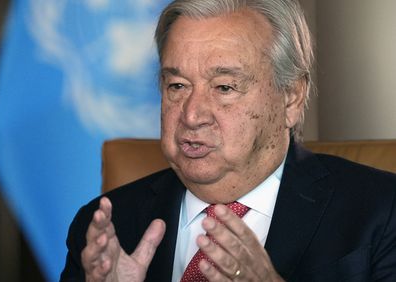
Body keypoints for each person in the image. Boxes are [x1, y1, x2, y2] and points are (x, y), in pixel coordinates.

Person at [61, 0, 396, 281]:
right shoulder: (107, 231)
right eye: (177, 86)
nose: (192, 115)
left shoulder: (381, 213)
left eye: (224, 87)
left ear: (291, 99)